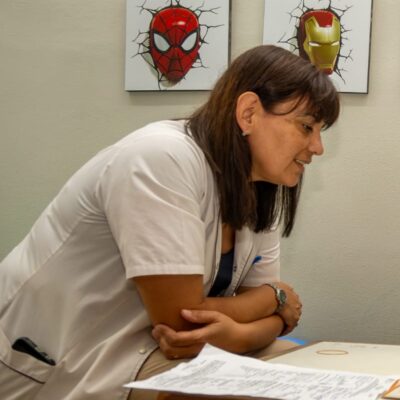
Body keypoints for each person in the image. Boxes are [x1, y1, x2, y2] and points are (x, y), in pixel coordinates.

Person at [0, 45, 340, 399]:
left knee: (335, 379)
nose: (317, 147)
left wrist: (243, 330)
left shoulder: (259, 188)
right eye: (306, 127)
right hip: (64, 363)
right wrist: (277, 296)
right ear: (249, 112)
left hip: (156, 352)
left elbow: (264, 322)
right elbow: (181, 322)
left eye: (320, 131)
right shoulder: (160, 158)